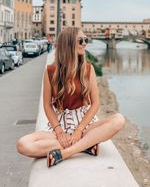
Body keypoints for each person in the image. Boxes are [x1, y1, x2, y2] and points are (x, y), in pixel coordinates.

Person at [16, 27, 125, 167]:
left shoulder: (88, 69)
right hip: (59, 127)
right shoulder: (50, 71)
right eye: (81, 40)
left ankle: (68, 152)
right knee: (23, 145)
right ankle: (86, 145)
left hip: (85, 127)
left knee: (119, 119)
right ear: (68, 44)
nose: (85, 43)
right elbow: (47, 105)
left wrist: (79, 130)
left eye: (86, 40)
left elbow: (95, 103)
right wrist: (59, 132)